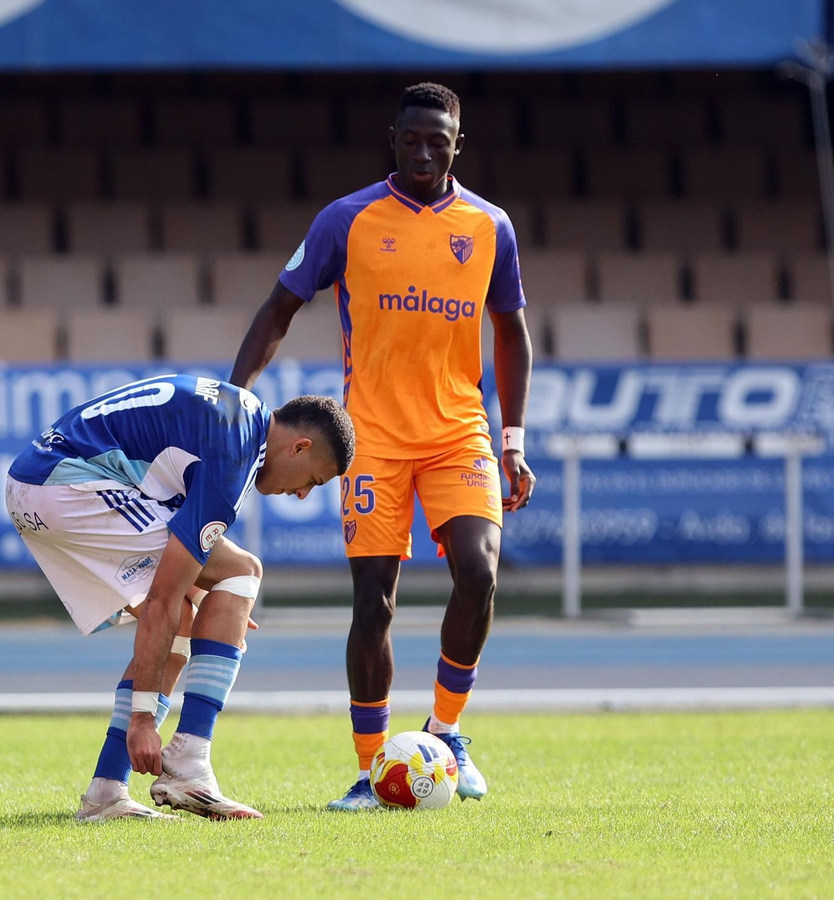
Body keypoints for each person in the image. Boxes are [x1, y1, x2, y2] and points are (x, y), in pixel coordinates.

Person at [227, 82, 536, 811]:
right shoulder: (347, 220)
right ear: (392, 140)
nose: (425, 151)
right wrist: (235, 399)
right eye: (412, 139)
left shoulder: (491, 226)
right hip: (374, 441)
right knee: (374, 604)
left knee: (480, 572)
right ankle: (372, 771)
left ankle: (447, 733)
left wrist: (513, 439)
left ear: (459, 144)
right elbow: (280, 309)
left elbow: (512, 332)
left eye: (440, 140)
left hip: (459, 429)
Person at [5, 375, 354, 820]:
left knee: (189, 622)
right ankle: (188, 762)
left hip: (39, 480)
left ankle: (106, 793)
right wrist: (143, 719)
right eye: (314, 480)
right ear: (300, 448)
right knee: (240, 574)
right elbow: (161, 603)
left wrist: (215, 617)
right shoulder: (233, 459)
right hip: (66, 488)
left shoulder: (241, 415)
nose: (303, 492)